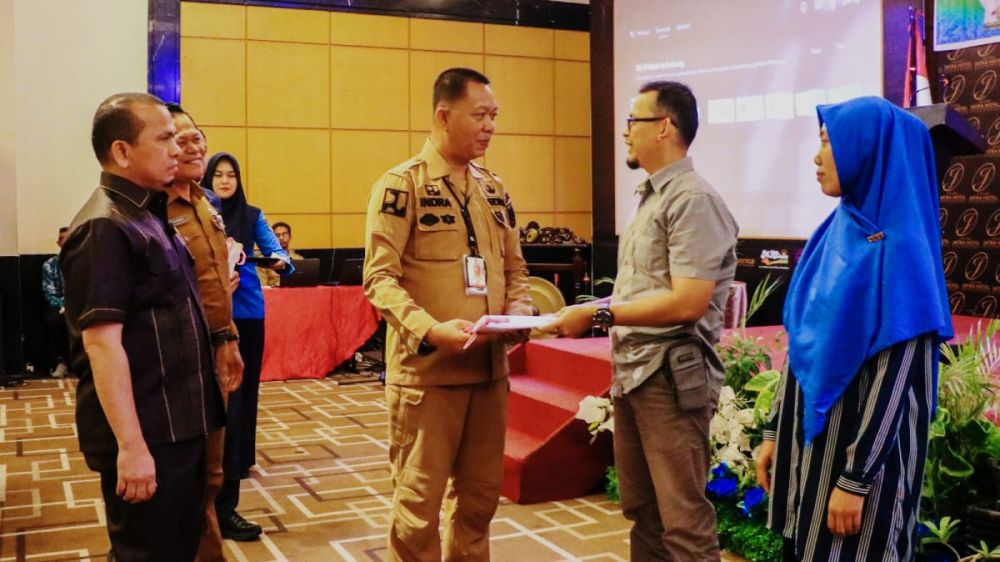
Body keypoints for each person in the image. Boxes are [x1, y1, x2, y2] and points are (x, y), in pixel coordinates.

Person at [755, 96, 953, 561]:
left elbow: (895, 379)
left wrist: (855, 479)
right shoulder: (837, 231)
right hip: (809, 455)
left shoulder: (902, 254)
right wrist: (772, 433)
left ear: (870, 151)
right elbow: (803, 346)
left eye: (829, 144)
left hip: (862, 477)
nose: (817, 157)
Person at [546, 81, 737, 560]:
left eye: (634, 121)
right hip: (635, 375)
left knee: (683, 521)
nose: (626, 132)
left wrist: (598, 312)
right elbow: (645, 291)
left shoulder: (693, 199)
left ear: (665, 126)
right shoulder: (650, 196)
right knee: (643, 512)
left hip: (671, 379)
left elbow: (686, 302)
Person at [363, 67, 532, 561]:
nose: (490, 126)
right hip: (427, 379)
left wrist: (518, 314)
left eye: (494, 116)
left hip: (487, 374)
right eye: (480, 115)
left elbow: (515, 268)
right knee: (418, 509)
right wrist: (430, 329)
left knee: (479, 502)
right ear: (443, 115)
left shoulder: (494, 188)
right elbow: (379, 279)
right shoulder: (401, 187)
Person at [61, 92, 226, 561]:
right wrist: (131, 448)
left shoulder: (148, 212)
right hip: (150, 431)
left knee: (175, 547)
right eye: (165, 138)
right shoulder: (105, 226)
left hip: (180, 423)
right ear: (122, 152)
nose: (178, 148)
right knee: (145, 553)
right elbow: (101, 346)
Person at [165, 103, 246, 558]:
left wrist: (229, 339)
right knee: (186, 482)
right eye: (181, 138)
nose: (195, 145)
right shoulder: (155, 209)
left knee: (210, 477)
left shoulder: (202, 201)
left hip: (217, 353)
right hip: (182, 364)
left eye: (198, 135)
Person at [202, 151, 291, 542]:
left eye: (231, 175)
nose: (224, 181)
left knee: (241, 402)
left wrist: (277, 262)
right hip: (208, 317)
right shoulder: (198, 212)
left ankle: (231, 488)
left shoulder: (252, 215)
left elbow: (280, 255)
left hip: (249, 316)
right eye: (217, 175)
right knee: (212, 404)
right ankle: (206, 496)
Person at [41, 226, 69, 378]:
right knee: (54, 320)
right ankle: (60, 361)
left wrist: (68, 304)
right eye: (63, 239)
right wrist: (62, 305)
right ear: (58, 243)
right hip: (57, 305)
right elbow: (49, 291)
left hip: (78, 304)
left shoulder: (85, 262)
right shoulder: (50, 264)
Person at [257, 221, 302, 287]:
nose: (281, 238)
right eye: (277, 235)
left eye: (284, 234)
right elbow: (263, 288)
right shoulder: (263, 261)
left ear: (290, 237)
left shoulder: (299, 259)